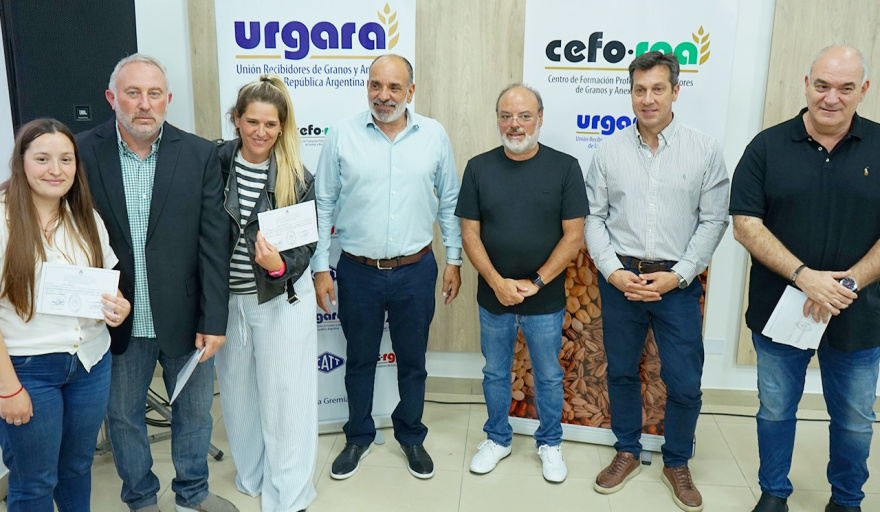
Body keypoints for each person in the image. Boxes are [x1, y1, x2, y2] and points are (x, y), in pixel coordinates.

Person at [76, 54, 235, 512]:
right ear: (112, 98)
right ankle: (141, 498)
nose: (144, 104)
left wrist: (214, 320)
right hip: (116, 318)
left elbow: (213, 244)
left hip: (187, 317)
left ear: (168, 99)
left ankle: (192, 493)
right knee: (123, 417)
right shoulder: (81, 152)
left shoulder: (200, 154)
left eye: (154, 94)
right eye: (133, 93)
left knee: (195, 413)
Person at [730, 45, 877, 512]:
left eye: (845, 88)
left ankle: (847, 501)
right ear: (806, 84)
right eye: (822, 85)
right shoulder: (766, 147)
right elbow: (745, 225)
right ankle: (774, 493)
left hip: (859, 312)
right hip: (781, 308)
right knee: (776, 409)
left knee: (855, 419)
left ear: (863, 90)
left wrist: (846, 284)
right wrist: (804, 277)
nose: (831, 97)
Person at [584, 51, 729, 512]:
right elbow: (594, 218)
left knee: (684, 381)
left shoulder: (704, 149)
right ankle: (627, 450)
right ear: (630, 93)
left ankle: (677, 461)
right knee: (622, 371)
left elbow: (714, 220)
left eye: (658, 89)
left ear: (675, 91)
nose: (648, 99)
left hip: (677, 284)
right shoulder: (608, 151)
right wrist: (613, 271)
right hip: (621, 279)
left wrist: (679, 275)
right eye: (639, 89)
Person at [313, 54, 462, 480]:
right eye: (375, 85)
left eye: (394, 87)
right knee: (359, 360)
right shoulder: (342, 135)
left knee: (413, 361)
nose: (383, 96)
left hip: (416, 269)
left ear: (410, 91)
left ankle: (411, 435)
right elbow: (323, 204)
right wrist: (321, 267)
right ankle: (358, 436)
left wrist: (454, 259)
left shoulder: (433, 135)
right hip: (358, 271)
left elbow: (449, 201)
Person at [455, 84, 587, 483]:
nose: (515, 124)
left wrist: (536, 281)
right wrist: (497, 282)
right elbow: (469, 234)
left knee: (548, 374)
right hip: (493, 296)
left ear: (540, 118)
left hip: (544, 298)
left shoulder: (565, 167)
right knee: (495, 372)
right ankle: (497, 438)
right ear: (498, 120)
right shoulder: (478, 168)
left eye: (524, 116)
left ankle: (550, 443)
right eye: (506, 116)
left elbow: (574, 236)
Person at [0, 118, 131, 511]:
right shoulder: (3, 220)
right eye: (42, 159)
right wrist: (8, 388)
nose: (55, 170)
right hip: (27, 370)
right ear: (21, 162)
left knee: (76, 468)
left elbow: (108, 282)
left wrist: (119, 305)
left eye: (66, 159)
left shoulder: (85, 217)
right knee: (35, 481)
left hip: (90, 363)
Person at [214, 74, 317, 512]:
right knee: (237, 398)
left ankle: (290, 493)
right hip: (228, 304)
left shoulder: (297, 177)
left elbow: (305, 246)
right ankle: (252, 476)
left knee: (286, 399)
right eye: (252, 121)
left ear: (282, 126)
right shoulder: (214, 163)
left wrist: (278, 266)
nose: (260, 131)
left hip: (281, 299)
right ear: (236, 119)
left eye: (270, 124)